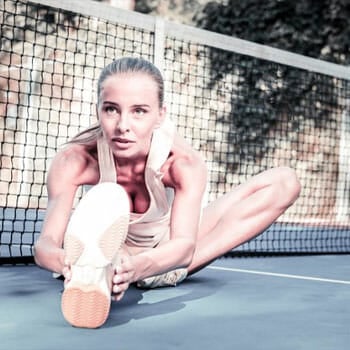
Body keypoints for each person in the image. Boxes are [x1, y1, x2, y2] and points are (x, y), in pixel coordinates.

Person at [34, 57, 301, 328]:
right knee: (106, 255)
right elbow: (44, 245)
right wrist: (64, 264)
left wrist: (136, 267)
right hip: (102, 245)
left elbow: (184, 246)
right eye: (112, 109)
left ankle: (140, 272)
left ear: (160, 115)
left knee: (285, 182)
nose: (122, 125)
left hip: (163, 250)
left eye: (139, 111)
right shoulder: (75, 159)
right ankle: (98, 268)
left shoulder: (181, 163)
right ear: (98, 110)